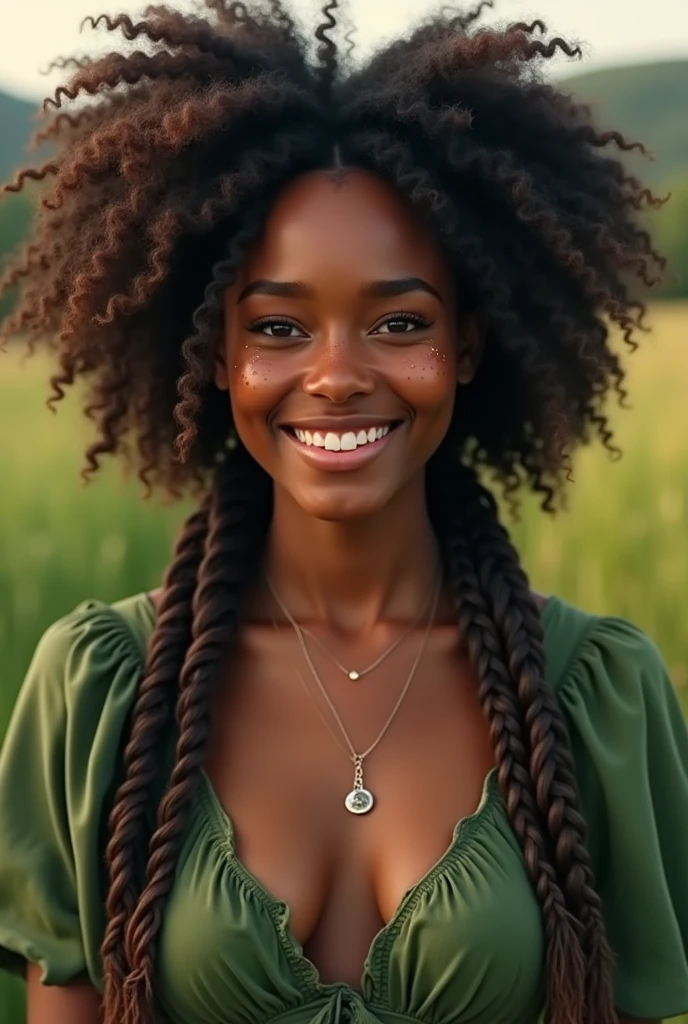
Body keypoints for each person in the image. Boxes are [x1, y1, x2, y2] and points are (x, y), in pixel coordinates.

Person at [1, 2, 687, 1023]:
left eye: (398, 322)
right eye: (278, 325)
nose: (334, 377)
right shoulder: (102, 691)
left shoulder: (594, 700)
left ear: (465, 345)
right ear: (213, 353)